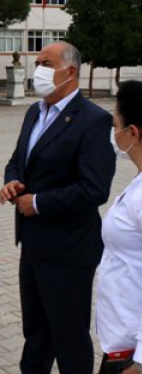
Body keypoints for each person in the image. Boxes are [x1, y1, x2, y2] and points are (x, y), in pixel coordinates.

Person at [0, 41, 115, 374]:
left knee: (69, 338)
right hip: (33, 244)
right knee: (35, 334)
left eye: (46, 63)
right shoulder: (35, 111)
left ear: (70, 71)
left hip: (69, 249)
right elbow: (18, 160)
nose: (39, 71)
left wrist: (37, 202)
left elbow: (95, 188)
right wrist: (13, 181)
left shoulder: (93, 120)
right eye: (37, 63)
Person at [95, 80, 142, 374]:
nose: (113, 134)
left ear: (133, 133)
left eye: (115, 125)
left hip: (131, 355)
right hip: (120, 344)